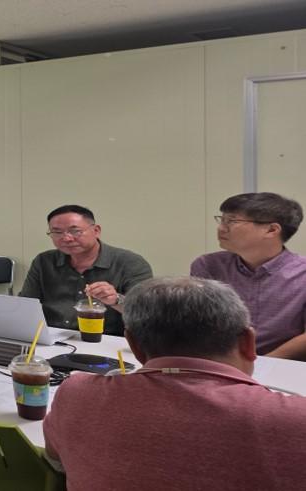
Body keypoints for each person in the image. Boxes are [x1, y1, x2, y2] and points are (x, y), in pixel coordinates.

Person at [43, 277, 306, 490]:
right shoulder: (294, 418)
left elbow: (56, 461)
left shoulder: (77, 393)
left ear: (134, 345)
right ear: (249, 342)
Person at [190, 192, 306, 360]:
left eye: (232, 221)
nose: (221, 228)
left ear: (271, 230)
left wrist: (261, 364)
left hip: (284, 366)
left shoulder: (302, 273)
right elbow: (197, 323)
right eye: (222, 220)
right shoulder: (208, 266)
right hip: (220, 362)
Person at [19, 205, 152, 335]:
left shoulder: (130, 263)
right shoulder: (44, 261)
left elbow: (146, 313)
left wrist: (116, 300)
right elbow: (25, 305)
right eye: (57, 232)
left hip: (108, 340)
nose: (67, 238)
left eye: (75, 231)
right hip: (53, 336)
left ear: (96, 231)